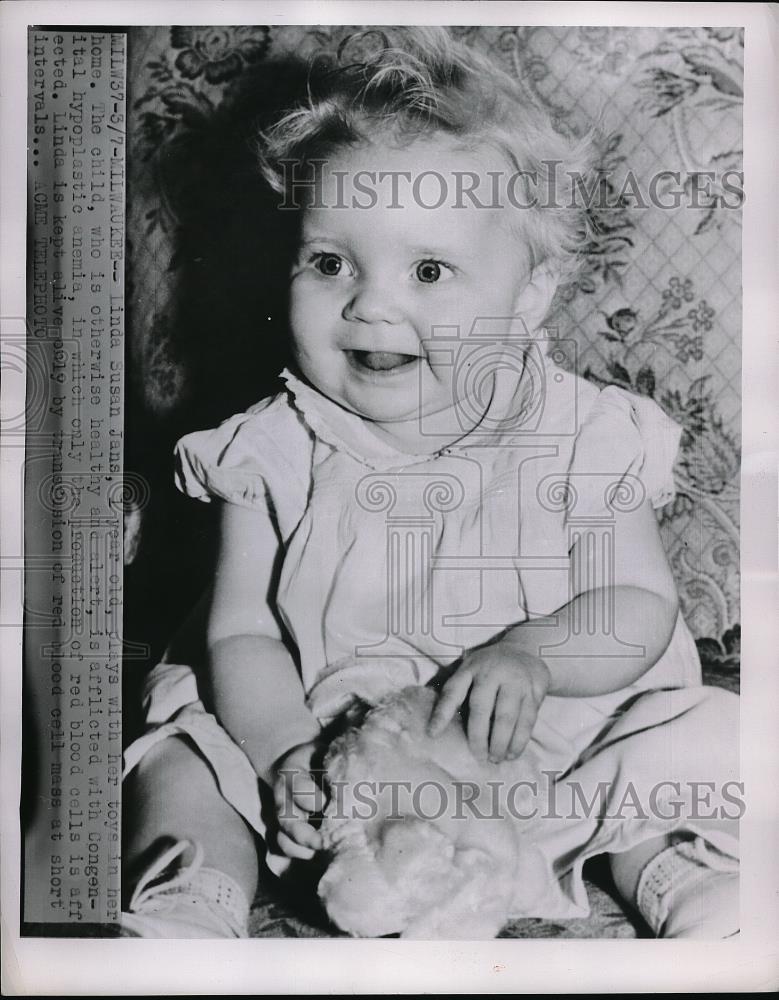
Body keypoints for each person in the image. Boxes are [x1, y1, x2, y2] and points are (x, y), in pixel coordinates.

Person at [121, 27, 739, 939]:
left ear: (528, 295)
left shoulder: (585, 435)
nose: (370, 304)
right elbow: (242, 630)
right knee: (177, 754)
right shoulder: (269, 448)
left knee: (700, 736)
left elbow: (635, 606)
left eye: (428, 270)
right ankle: (191, 891)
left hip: (546, 762)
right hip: (325, 763)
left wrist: (536, 654)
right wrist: (284, 751)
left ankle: (676, 866)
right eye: (329, 262)